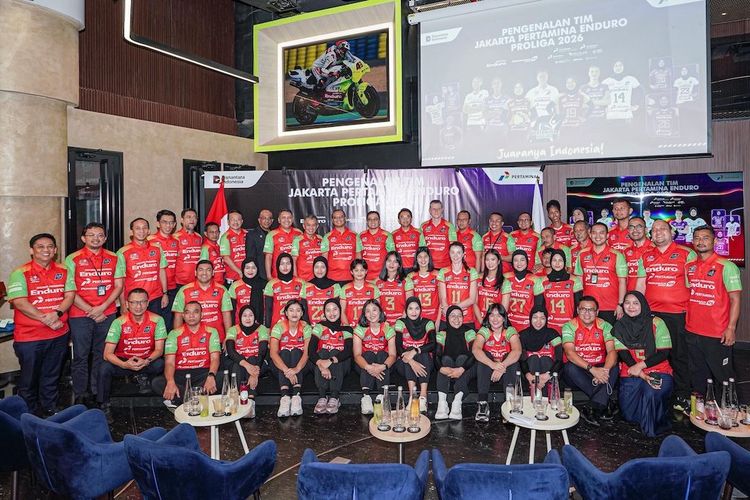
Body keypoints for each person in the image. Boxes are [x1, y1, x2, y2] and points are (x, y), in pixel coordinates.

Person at [7, 233, 75, 415]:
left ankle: (49, 408)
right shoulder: (20, 273)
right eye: (40, 247)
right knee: (29, 379)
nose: (46, 250)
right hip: (30, 337)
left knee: (52, 375)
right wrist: (47, 319)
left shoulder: (64, 270)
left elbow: (69, 296)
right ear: (32, 250)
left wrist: (57, 314)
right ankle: (27, 414)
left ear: (55, 250)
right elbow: (20, 302)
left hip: (59, 334)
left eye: (50, 246)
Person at [640, 219, 696, 411]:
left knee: (679, 356)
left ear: (672, 232)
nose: (658, 232)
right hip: (652, 315)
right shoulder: (646, 256)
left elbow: (694, 283)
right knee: (655, 355)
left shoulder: (686, 253)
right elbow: (641, 284)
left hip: (677, 314)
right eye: (654, 230)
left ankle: (682, 395)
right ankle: (659, 391)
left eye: (662, 229)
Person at [65, 223, 123, 405]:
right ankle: (81, 392)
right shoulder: (72, 259)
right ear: (83, 238)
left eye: (100, 235)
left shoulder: (114, 257)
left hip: (107, 313)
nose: (96, 238)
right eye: (91, 235)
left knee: (102, 354)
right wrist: (91, 310)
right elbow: (70, 290)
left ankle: (98, 391)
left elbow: (118, 286)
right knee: (80, 355)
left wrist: (103, 307)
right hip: (80, 314)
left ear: (105, 238)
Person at [685, 226, 742, 395]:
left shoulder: (727, 266)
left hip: (717, 333)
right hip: (692, 330)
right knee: (698, 376)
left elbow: (735, 299)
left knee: (723, 376)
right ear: (692, 241)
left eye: (705, 238)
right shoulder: (689, 266)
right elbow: (691, 293)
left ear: (714, 241)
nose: (700, 241)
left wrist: (731, 328)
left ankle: (730, 408)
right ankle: (703, 408)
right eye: (697, 238)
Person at [98, 288, 167, 422]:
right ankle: (104, 405)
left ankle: (145, 380)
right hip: (124, 361)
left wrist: (146, 361)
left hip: (146, 360)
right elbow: (107, 354)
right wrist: (124, 364)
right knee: (104, 368)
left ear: (148, 303)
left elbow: (159, 350)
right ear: (127, 304)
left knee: (160, 363)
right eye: (134, 302)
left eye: (142, 302)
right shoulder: (118, 322)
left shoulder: (157, 320)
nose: (138, 306)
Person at [613, 291, 673, 437]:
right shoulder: (619, 325)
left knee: (651, 393)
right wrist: (641, 374)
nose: (631, 306)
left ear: (643, 305)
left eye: (636, 303)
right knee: (629, 415)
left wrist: (641, 366)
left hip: (658, 369)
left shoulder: (657, 322)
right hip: (631, 370)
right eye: (627, 303)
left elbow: (664, 353)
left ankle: (654, 427)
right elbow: (624, 354)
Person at [561, 296, 618, 426]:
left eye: (591, 310)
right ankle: (605, 401)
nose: (587, 313)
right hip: (580, 370)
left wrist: (604, 371)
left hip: (600, 368)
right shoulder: (569, 326)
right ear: (577, 310)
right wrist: (592, 370)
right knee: (569, 367)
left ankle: (592, 406)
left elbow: (612, 351)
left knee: (614, 366)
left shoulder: (605, 325)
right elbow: (570, 353)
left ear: (597, 312)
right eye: (583, 309)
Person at [155, 301, 221, 406]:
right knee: (157, 382)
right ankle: (198, 398)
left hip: (203, 373)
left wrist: (211, 376)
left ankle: (183, 399)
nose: (191, 316)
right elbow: (169, 363)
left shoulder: (212, 331)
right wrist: (170, 382)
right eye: (187, 312)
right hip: (181, 374)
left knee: (221, 377)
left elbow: (215, 359)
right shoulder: (174, 334)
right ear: (183, 316)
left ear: (201, 315)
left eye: (195, 312)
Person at [472, 304, 521, 422]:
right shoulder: (484, 330)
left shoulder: (510, 330)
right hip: (488, 371)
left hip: (506, 371)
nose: (495, 319)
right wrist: (493, 365)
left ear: (504, 318)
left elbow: (517, 351)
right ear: (488, 317)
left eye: (499, 316)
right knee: (484, 357)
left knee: (512, 360)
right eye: (492, 315)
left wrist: (501, 367)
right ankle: (483, 404)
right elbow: (475, 349)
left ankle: (509, 405)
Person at [574, 222, 627, 324]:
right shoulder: (582, 254)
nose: (597, 236)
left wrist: (620, 304)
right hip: (588, 307)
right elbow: (579, 280)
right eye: (594, 233)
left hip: (610, 307)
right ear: (590, 234)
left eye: (601, 233)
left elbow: (622, 281)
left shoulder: (617, 255)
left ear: (607, 236)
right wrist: (579, 304)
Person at [116, 218, 168, 315]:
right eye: (138, 228)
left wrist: (165, 293)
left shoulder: (157, 248)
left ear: (149, 231)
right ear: (131, 232)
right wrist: (123, 304)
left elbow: (162, 271)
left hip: (155, 297)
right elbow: (121, 281)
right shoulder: (122, 252)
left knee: (155, 323)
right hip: (133, 300)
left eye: (144, 228)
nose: (142, 231)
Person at [353, 299, 397, 414]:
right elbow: (357, 356)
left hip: (384, 365)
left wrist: (381, 367)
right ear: (364, 314)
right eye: (367, 311)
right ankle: (366, 398)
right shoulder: (360, 329)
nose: (371, 314)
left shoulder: (388, 329)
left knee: (382, 354)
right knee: (369, 354)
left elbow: (393, 355)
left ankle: (382, 396)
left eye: (374, 310)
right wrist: (369, 367)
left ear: (380, 312)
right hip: (364, 365)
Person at [269, 299, 312, 418]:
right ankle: (285, 397)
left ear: (302, 313)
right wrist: (287, 371)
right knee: (285, 352)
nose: (294, 313)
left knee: (296, 351)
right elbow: (273, 353)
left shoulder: (306, 327)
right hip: (281, 366)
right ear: (286, 313)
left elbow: (307, 353)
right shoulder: (278, 327)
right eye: (291, 310)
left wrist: (296, 369)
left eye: (298, 310)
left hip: (301, 365)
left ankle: (296, 397)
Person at [172, 260, 232, 343]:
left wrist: (228, 337)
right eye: (201, 270)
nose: (204, 273)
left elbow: (226, 315)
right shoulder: (184, 290)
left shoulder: (222, 290)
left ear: (213, 273)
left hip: (217, 339)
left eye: (208, 270)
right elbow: (178, 316)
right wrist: (176, 339)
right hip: (190, 341)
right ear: (195, 273)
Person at [310, 299, 353, 414]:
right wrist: (321, 365)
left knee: (334, 351)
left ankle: (334, 397)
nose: (332, 313)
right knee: (323, 352)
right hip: (322, 363)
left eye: (335, 309)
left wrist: (330, 361)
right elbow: (311, 351)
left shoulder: (347, 328)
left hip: (342, 364)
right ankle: (322, 397)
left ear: (340, 310)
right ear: (324, 312)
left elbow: (348, 351)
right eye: (328, 310)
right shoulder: (319, 326)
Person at [225, 304, 268, 417]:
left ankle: (251, 400)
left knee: (252, 358)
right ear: (240, 317)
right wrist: (247, 365)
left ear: (255, 317)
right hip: (241, 363)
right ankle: (238, 400)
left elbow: (263, 351)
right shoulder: (233, 329)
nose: (248, 318)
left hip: (259, 363)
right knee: (237, 365)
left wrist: (255, 371)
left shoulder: (261, 328)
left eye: (250, 315)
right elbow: (230, 351)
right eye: (244, 315)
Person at [435, 305, 477, 420]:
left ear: (463, 318)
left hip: (466, 368)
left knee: (462, 358)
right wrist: (441, 368)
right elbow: (436, 355)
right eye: (453, 316)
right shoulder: (442, 333)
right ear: (447, 318)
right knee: (445, 359)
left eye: (459, 316)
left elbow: (474, 354)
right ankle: (442, 403)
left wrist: (462, 369)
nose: (456, 319)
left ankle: (457, 402)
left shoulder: (469, 331)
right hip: (448, 369)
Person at [394, 297, 435, 412]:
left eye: (417, 308)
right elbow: (398, 347)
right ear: (406, 310)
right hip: (404, 363)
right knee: (409, 351)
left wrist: (415, 351)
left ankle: (423, 397)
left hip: (424, 364)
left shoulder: (428, 323)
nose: (414, 312)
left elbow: (433, 344)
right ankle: (412, 396)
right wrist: (411, 361)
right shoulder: (400, 322)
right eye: (410, 308)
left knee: (421, 352)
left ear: (421, 310)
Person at [519, 305, 563, 396]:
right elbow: (522, 360)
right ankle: (535, 397)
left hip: (551, 374)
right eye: (535, 317)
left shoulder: (553, 334)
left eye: (542, 318)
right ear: (530, 318)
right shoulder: (523, 335)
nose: (538, 321)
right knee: (534, 358)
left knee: (545, 359)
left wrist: (548, 375)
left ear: (546, 319)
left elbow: (559, 359)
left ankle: (547, 398)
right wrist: (529, 376)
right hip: (529, 374)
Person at [540, 249, 583, 333]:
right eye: (554, 260)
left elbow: (578, 305)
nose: (557, 263)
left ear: (564, 262)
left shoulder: (574, 280)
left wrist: (575, 325)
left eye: (560, 260)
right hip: (549, 326)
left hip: (569, 326)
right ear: (550, 262)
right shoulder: (543, 280)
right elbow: (540, 305)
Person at [438, 242, 479, 328]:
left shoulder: (472, 271)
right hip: (447, 316)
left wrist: (452, 309)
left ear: (463, 255)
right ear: (449, 254)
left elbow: (472, 299)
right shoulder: (443, 271)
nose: (455, 255)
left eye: (458, 252)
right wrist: (446, 308)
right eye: (452, 252)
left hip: (466, 317)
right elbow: (443, 297)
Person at [502, 250, 545, 331]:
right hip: (508, 323)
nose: (519, 263)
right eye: (516, 260)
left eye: (522, 260)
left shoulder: (535, 279)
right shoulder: (505, 277)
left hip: (527, 324)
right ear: (512, 262)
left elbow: (539, 305)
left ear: (527, 261)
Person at [150, 210, 179, 327]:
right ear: (158, 224)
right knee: (156, 323)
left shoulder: (176, 241)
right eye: (165, 222)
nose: (168, 225)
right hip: (157, 290)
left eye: (171, 222)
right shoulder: (149, 241)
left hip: (174, 287)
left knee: (170, 322)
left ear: (175, 224)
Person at [263, 253, 307, 328]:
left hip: (297, 326)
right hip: (277, 327)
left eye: (288, 263)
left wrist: (305, 326)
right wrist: (267, 328)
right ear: (278, 266)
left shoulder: (301, 283)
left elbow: (305, 308)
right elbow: (268, 310)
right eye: (282, 264)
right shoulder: (271, 284)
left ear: (292, 265)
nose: (285, 267)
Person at [321, 209, 362, 283]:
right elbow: (324, 260)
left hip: (351, 277)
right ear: (332, 220)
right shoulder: (327, 237)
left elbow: (359, 258)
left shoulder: (355, 235)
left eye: (341, 217)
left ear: (345, 218)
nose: (338, 219)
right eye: (335, 217)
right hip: (332, 278)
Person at [339, 259, 380, 326]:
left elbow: (377, 311)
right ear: (351, 272)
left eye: (362, 270)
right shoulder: (345, 288)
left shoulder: (373, 288)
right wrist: (347, 327)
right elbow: (342, 311)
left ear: (366, 271)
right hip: (350, 326)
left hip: (368, 327)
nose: (359, 273)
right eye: (356, 270)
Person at [301, 256, 341, 325]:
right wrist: (308, 327)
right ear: (313, 268)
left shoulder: (335, 286)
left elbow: (338, 311)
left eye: (323, 267)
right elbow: (303, 311)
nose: (319, 270)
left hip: (330, 327)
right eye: (317, 267)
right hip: (311, 328)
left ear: (327, 268)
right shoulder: (306, 286)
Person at [406, 247, 441, 325]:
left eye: (425, 256)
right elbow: (409, 302)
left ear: (429, 258)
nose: (423, 259)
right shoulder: (410, 276)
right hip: (417, 318)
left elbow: (441, 301)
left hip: (434, 317)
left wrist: (438, 321)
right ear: (416, 259)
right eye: (420, 257)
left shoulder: (437, 274)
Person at [264, 209, 302, 280]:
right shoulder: (271, 234)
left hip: (296, 275)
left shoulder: (299, 233)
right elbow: (268, 256)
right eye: (283, 217)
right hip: (278, 275)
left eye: (289, 217)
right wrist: (269, 276)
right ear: (279, 220)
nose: (286, 220)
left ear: (292, 219)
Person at [228, 258, 266, 326]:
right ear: (243, 269)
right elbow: (232, 311)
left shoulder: (265, 285)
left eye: (253, 268)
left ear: (257, 269)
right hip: (239, 325)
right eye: (247, 268)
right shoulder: (235, 285)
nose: (250, 271)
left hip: (261, 325)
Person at [474, 249, 506, 328]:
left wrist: (493, 322)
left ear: (498, 261)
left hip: (495, 324)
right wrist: (482, 322)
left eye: (493, 259)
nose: (490, 263)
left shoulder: (505, 282)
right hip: (479, 322)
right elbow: (474, 303)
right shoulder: (478, 278)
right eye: (487, 260)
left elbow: (504, 309)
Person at [375, 251, 409, 325]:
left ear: (399, 265)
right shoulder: (377, 281)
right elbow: (376, 305)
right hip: (383, 321)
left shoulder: (406, 280)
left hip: (402, 320)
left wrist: (402, 321)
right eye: (389, 261)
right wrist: (382, 321)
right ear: (385, 262)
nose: (391, 264)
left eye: (395, 261)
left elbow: (409, 304)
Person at [421, 200, 457, 269]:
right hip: (428, 265)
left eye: (438, 209)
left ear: (442, 210)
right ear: (429, 210)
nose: (436, 211)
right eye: (433, 209)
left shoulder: (449, 226)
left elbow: (453, 247)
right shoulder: (423, 226)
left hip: (446, 265)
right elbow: (421, 247)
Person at [360, 211, 395, 281]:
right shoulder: (361, 235)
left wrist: (386, 273)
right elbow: (358, 256)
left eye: (375, 219)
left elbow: (392, 256)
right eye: (370, 219)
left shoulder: (387, 235)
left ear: (379, 221)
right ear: (367, 222)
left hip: (382, 275)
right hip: (364, 276)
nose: (372, 221)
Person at [174, 208, 203, 288]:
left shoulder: (199, 237)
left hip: (197, 281)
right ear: (182, 220)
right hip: (180, 283)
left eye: (194, 217)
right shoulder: (175, 238)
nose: (192, 220)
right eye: (188, 217)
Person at [622, 217, 652, 292]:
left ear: (646, 230)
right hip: (630, 295)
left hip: (649, 295)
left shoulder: (654, 249)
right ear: (628, 231)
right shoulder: (625, 250)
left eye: (639, 226)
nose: (635, 230)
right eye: (631, 227)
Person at [218, 210, 247, 285]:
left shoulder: (247, 234)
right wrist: (240, 272)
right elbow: (226, 258)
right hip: (233, 278)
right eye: (233, 219)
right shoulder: (225, 237)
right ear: (228, 222)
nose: (235, 222)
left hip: (248, 275)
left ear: (242, 221)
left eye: (238, 219)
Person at [291, 215, 322, 281]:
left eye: (313, 225)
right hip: (303, 279)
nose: (311, 228)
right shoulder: (297, 240)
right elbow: (293, 260)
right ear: (304, 226)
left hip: (318, 278)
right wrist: (295, 277)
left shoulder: (321, 239)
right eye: (308, 225)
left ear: (317, 226)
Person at [245, 209, 274, 281]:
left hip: (275, 273)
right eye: (264, 218)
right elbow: (250, 257)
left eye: (269, 218)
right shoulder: (252, 235)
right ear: (259, 220)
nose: (267, 221)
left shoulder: (274, 234)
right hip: (260, 275)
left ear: (272, 221)